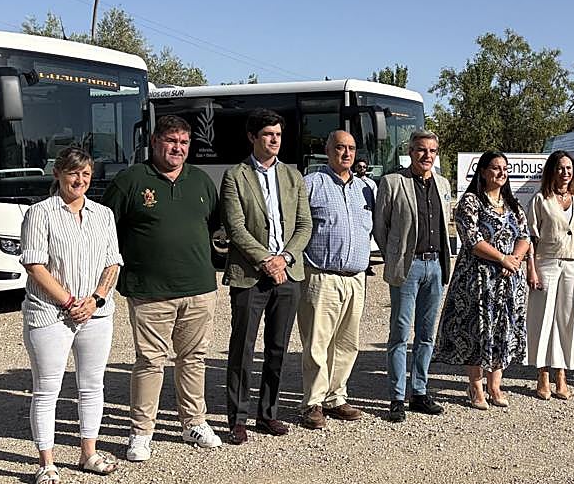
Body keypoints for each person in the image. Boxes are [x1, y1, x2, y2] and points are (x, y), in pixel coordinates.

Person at [102, 115, 223, 460]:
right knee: (150, 362)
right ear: (155, 142)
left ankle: (193, 422)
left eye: (184, 143)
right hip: (150, 290)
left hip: (199, 288)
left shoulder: (200, 181)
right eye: (171, 141)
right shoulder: (131, 180)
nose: (177, 148)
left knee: (194, 358)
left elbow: (212, 224)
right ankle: (141, 432)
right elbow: (105, 228)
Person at [18, 147, 122, 484]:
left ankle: (88, 452)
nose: (80, 180)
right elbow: (34, 264)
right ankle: (46, 462)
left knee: (92, 385)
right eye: (74, 174)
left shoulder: (103, 214)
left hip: (95, 312)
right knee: (47, 389)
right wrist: (69, 300)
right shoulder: (40, 213)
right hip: (50, 313)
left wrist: (95, 299)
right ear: (58, 175)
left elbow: (112, 262)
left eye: (86, 174)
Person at [219, 109, 312, 444]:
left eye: (278, 134)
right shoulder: (235, 176)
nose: (275, 140)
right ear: (252, 138)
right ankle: (238, 418)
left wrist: (284, 258)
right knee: (242, 347)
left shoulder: (293, 176)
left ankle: (267, 413)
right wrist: (266, 261)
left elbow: (305, 225)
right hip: (249, 275)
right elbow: (236, 228)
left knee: (277, 348)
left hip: (288, 274)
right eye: (268, 134)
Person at [434, 151, 530, 409]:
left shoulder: (513, 204)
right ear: (484, 171)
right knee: (476, 330)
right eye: (496, 168)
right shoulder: (471, 202)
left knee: (502, 330)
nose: (501, 173)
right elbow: (472, 238)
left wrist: (515, 259)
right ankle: (476, 386)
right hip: (478, 279)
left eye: (505, 168)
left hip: (508, 280)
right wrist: (502, 258)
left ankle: (495, 385)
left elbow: (525, 235)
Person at [373, 130, 452, 423]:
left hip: (435, 266)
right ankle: (396, 396)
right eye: (421, 150)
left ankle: (419, 390)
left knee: (427, 333)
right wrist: (393, 256)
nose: (427, 155)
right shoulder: (393, 182)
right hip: (408, 267)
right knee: (400, 331)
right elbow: (380, 227)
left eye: (432, 150)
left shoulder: (443, 184)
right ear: (410, 151)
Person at [297, 130, 373, 430]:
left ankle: (336, 396)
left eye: (351, 148)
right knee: (317, 342)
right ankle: (312, 403)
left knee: (347, 342)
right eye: (340, 147)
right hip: (322, 276)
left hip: (356, 278)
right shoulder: (312, 184)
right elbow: (298, 225)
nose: (346, 153)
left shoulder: (367, 188)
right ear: (327, 150)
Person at [525, 151, 574, 400]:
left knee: (567, 319)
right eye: (560, 168)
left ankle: (561, 375)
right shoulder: (540, 199)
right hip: (546, 262)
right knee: (542, 319)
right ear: (551, 171)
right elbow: (530, 237)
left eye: (569, 168)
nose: (565, 172)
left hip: (573, 264)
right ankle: (542, 374)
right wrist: (530, 268)